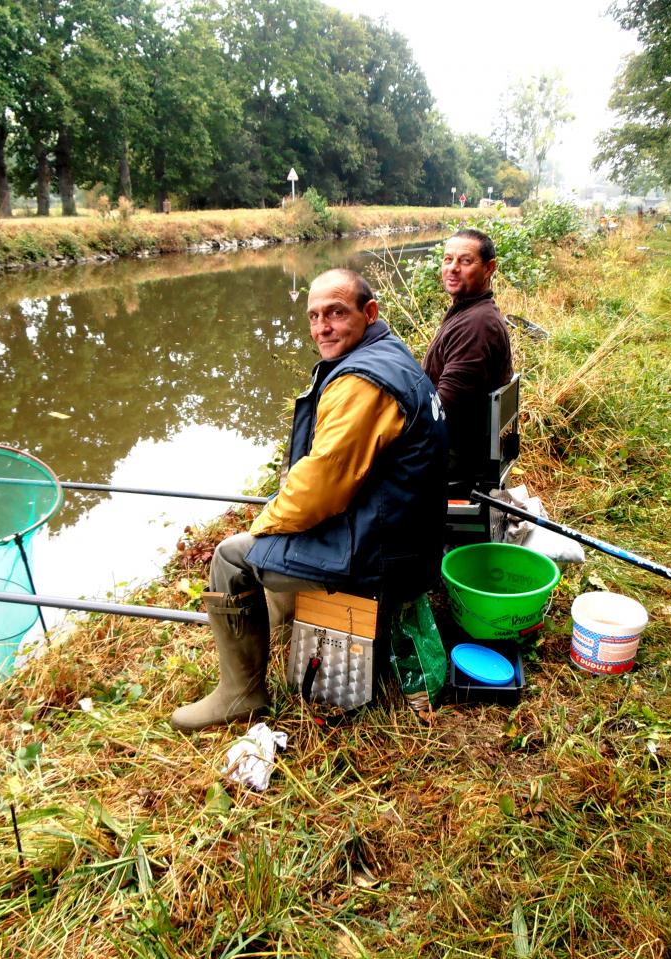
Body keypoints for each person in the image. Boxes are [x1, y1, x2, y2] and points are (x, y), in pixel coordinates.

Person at [171, 268, 448, 732]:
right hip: (405, 541)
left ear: (369, 313)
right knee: (274, 540)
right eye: (314, 316)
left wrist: (263, 527)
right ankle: (283, 613)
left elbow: (320, 487)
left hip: (382, 561)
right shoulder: (391, 354)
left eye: (336, 313)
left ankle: (240, 694)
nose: (323, 327)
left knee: (231, 557)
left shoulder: (364, 381)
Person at [422, 228, 513, 487]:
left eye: (465, 261)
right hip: (454, 449)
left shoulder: (478, 326)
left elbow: (444, 411)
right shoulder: (468, 310)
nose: (452, 268)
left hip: (454, 460)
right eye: (448, 259)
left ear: (489, 268)